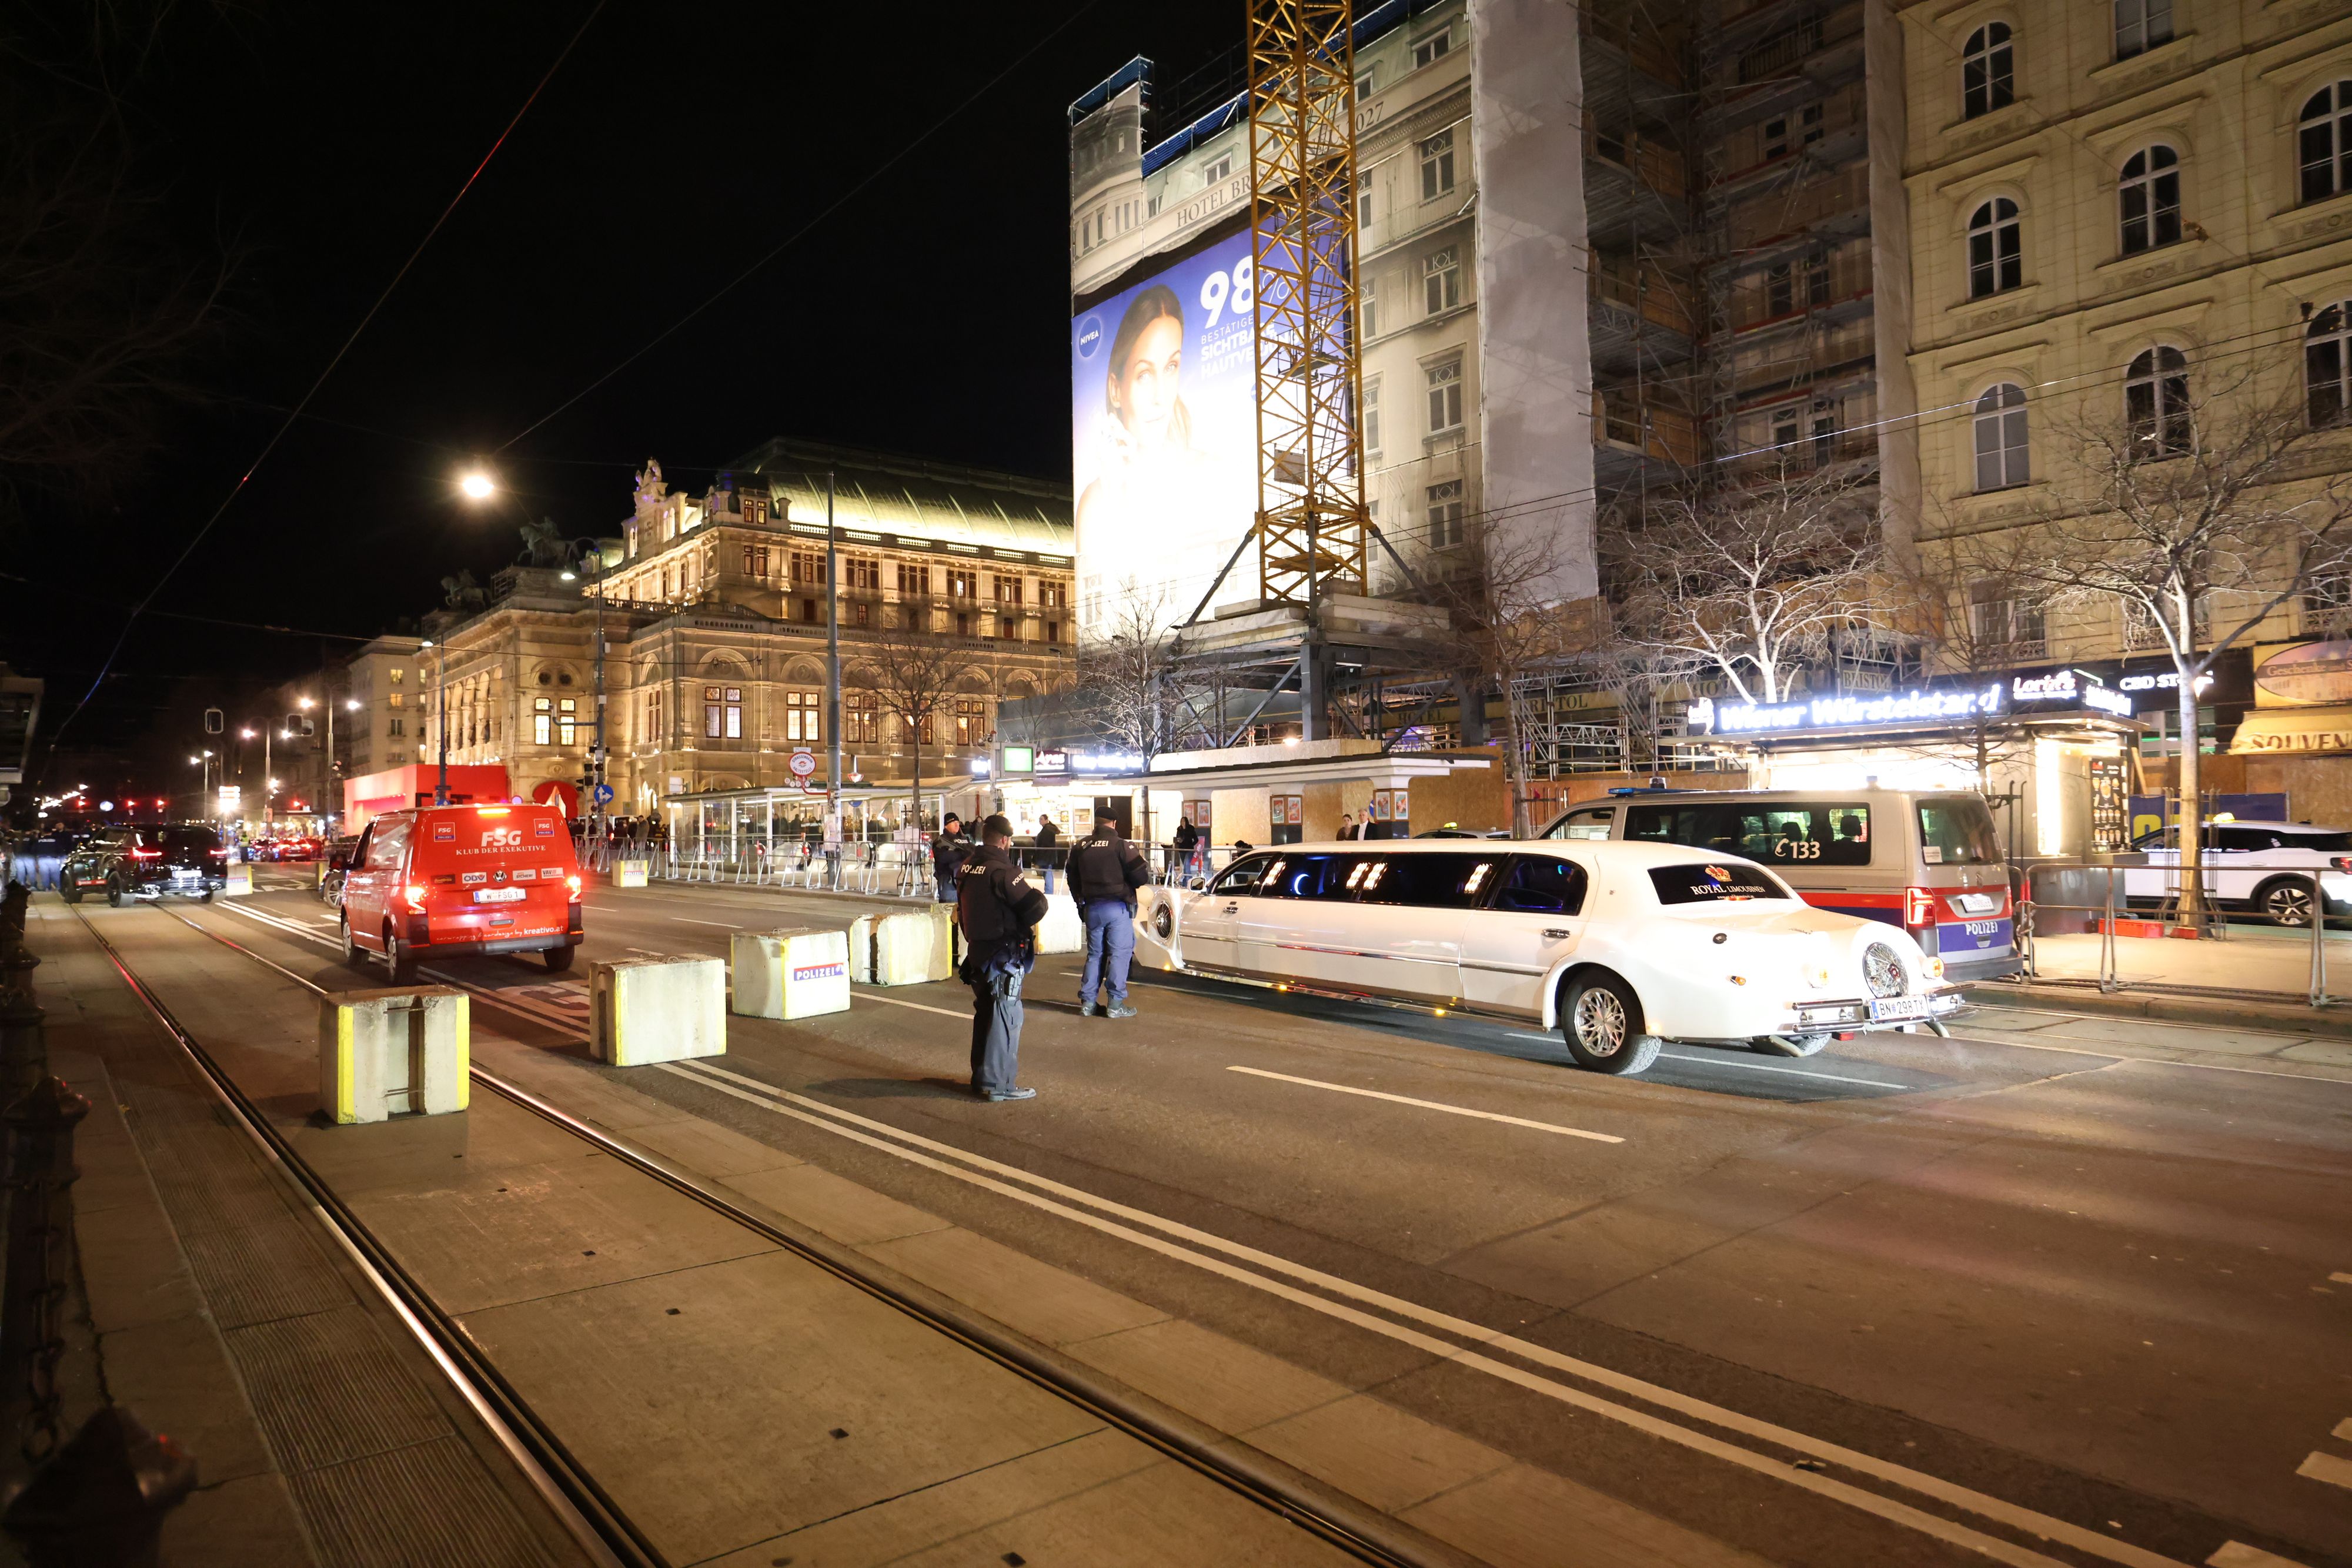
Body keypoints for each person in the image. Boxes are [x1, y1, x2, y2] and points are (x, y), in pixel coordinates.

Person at [954, 815, 1048, 1102]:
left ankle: (982, 1078)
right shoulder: (1003, 871)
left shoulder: (967, 867)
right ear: (1006, 840)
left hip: (978, 954)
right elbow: (1034, 909)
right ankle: (999, 1085)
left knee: (986, 1015)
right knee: (1007, 1017)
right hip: (1003, 955)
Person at [1068, 807, 1148, 1018]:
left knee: (1095, 955)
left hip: (1092, 908)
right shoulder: (1122, 846)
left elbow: (1071, 877)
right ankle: (1115, 1004)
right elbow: (1141, 878)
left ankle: (1087, 1004)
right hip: (1117, 908)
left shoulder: (1081, 846)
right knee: (1119, 954)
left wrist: (1080, 901)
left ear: (1097, 823)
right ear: (1114, 823)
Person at [931, 813, 971, 902]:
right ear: (946, 825)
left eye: (958, 822)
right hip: (948, 881)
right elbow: (942, 857)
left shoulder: (965, 839)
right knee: (948, 911)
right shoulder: (941, 840)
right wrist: (961, 854)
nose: (957, 825)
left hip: (965, 882)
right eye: (953, 823)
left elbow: (972, 853)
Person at [1033, 813, 1060, 894]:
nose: (1040, 821)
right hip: (1047, 855)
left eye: (1041, 819)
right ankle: (1048, 890)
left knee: (1047, 872)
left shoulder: (1047, 830)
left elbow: (1044, 843)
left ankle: (1049, 891)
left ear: (1046, 820)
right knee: (1047, 872)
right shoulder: (1048, 829)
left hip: (1046, 855)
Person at [1172, 815, 1200, 880]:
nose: (1182, 822)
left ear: (1186, 822)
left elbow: (1196, 839)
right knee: (1185, 866)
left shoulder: (1191, 829)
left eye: (1184, 821)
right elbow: (1177, 838)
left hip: (1189, 849)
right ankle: (1187, 880)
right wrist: (1179, 841)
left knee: (1187, 864)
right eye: (1181, 821)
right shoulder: (1179, 829)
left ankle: (1188, 880)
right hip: (1182, 850)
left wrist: (1192, 844)